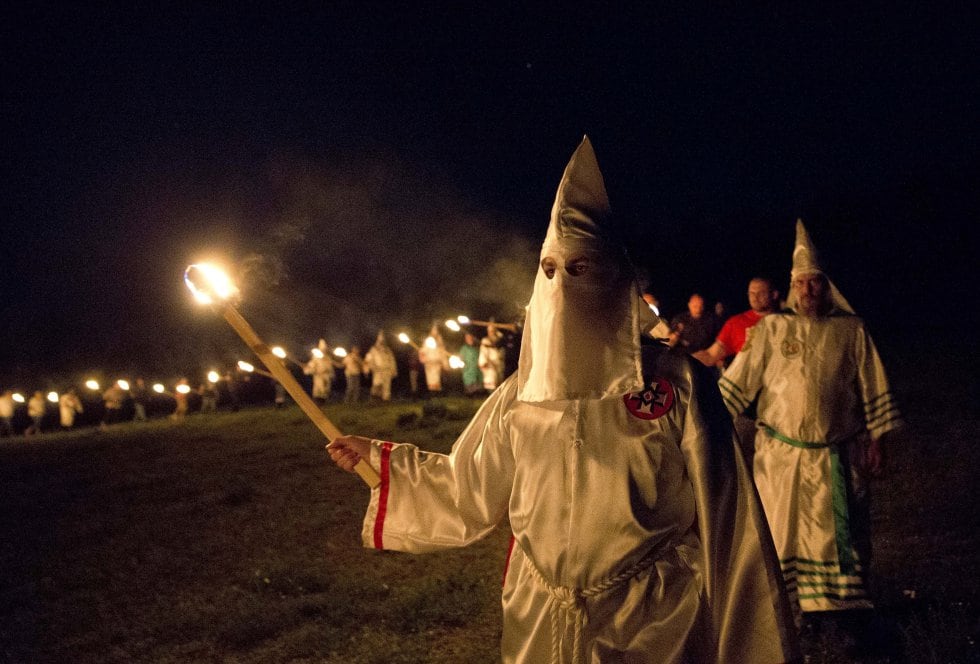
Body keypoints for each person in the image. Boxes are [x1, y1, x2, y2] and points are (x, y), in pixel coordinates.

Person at [328, 137, 799, 663]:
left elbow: (728, 516)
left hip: (651, 618)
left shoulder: (675, 386)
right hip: (541, 614)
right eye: (551, 270)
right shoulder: (520, 394)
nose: (565, 285)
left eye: (581, 269)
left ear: (614, 278)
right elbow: (468, 486)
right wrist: (376, 459)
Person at [720, 220, 903, 656]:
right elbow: (737, 383)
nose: (808, 292)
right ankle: (789, 614)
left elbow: (872, 382)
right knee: (781, 534)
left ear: (827, 287)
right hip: (780, 457)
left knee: (837, 539)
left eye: (815, 283)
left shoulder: (851, 331)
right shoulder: (770, 332)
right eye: (801, 284)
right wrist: (705, 418)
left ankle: (840, 615)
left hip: (835, 455)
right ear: (792, 288)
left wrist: (877, 437)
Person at [693, 277, 781, 369]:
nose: (755, 297)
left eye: (761, 293)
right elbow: (710, 355)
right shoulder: (736, 323)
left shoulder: (787, 321)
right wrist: (683, 361)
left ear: (774, 294)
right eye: (751, 293)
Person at [364, 331, 398, 401]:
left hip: (387, 370)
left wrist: (394, 370)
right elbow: (367, 360)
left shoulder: (388, 350)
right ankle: (375, 399)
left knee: (387, 386)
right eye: (380, 341)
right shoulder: (373, 350)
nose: (381, 343)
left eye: (383, 341)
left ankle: (386, 399)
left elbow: (392, 361)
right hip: (378, 370)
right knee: (377, 384)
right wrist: (366, 370)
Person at [418, 325, 449, 393]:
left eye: (436, 331)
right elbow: (423, 351)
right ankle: (431, 393)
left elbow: (442, 353)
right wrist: (422, 357)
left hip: (437, 364)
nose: (435, 332)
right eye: (433, 330)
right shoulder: (428, 341)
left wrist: (445, 364)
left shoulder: (440, 341)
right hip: (430, 364)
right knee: (431, 380)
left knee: (437, 380)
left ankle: (437, 394)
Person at [304, 338, 336, 402]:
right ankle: (316, 403)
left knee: (325, 390)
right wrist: (309, 369)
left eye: (324, 350)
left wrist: (332, 375)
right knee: (318, 390)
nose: (324, 351)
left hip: (327, 376)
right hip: (318, 376)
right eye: (322, 350)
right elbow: (311, 367)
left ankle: (324, 402)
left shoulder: (328, 358)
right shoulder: (316, 358)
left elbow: (330, 368)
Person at [478, 323, 506, 391]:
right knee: (491, 379)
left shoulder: (499, 340)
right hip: (490, 363)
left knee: (500, 380)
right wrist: (484, 362)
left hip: (499, 363)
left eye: (493, 331)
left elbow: (502, 351)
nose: (492, 332)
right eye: (490, 331)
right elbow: (483, 352)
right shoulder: (485, 340)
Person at [458, 332, 483, 396]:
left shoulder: (477, 347)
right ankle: (470, 394)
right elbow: (461, 358)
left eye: (471, 337)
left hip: (477, 369)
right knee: (469, 383)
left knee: (477, 383)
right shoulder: (464, 348)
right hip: (468, 369)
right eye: (468, 338)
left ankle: (478, 393)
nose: (470, 339)